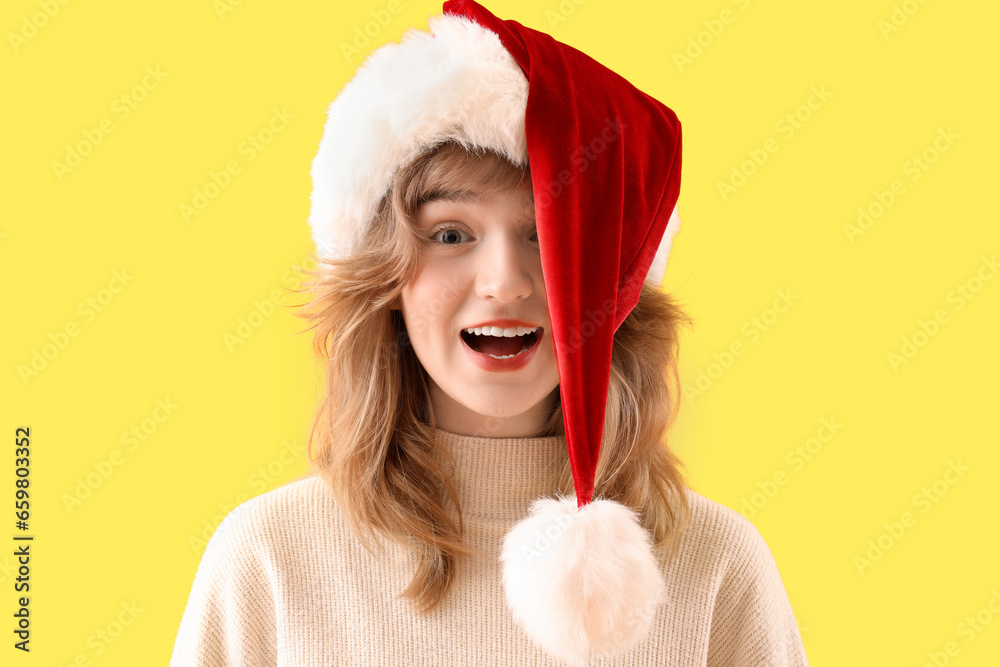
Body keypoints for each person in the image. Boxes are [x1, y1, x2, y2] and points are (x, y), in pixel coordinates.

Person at [169, 2, 809, 665]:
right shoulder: (268, 562)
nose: (504, 282)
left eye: (547, 234)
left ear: (612, 285)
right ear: (387, 278)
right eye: (451, 234)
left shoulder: (718, 568)